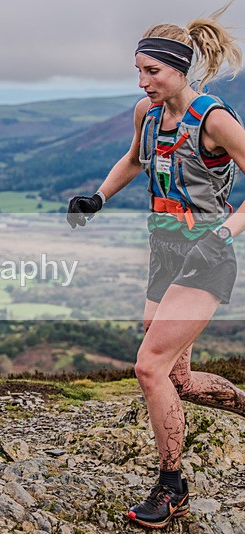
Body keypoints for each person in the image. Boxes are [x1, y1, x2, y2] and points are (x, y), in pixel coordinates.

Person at [67, 5, 245, 529]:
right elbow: (133, 160)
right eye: (138, 71)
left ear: (180, 69)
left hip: (207, 256)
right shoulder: (147, 113)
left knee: (149, 368)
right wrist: (98, 197)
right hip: (164, 252)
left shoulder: (214, 120)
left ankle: (173, 487)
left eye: (153, 71)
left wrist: (224, 233)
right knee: (178, 380)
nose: (143, 82)